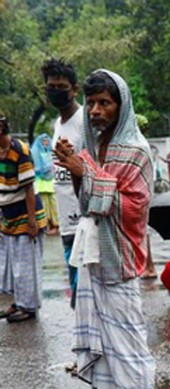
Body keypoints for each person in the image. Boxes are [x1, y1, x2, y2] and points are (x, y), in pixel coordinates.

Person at [54, 69, 157, 389]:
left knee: (129, 342)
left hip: (122, 258)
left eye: (105, 103)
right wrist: (75, 168)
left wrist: (85, 173)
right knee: (113, 342)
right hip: (97, 254)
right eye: (92, 103)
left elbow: (134, 209)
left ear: (121, 106)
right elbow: (88, 202)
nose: (96, 111)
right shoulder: (97, 146)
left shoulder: (137, 150)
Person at [42, 57, 83, 303]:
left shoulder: (84, 122)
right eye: (51, 87)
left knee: (84, 294)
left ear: (74, 90)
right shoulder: (58, 123)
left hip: (83, 221)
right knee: (77, 293)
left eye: (61, 87)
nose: (56, 92)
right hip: (66, 223)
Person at [0, 113, 47, 323]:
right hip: (8, 216)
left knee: (27, 264)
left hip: (26, 214)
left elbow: (29, 188)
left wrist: (32, 221)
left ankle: (28, 307)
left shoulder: (20, 150)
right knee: (11, 264)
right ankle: (17, 302)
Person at [32, 134, 59, 235]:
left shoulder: (51, 152)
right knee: (44, 205)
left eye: (47, 141)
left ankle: (56, 225)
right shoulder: (35, 152)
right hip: (41, 184)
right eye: (43, 141)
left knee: (54, 205)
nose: (46, 143)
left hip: (52, 183)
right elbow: (36, 167)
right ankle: (46, 225)